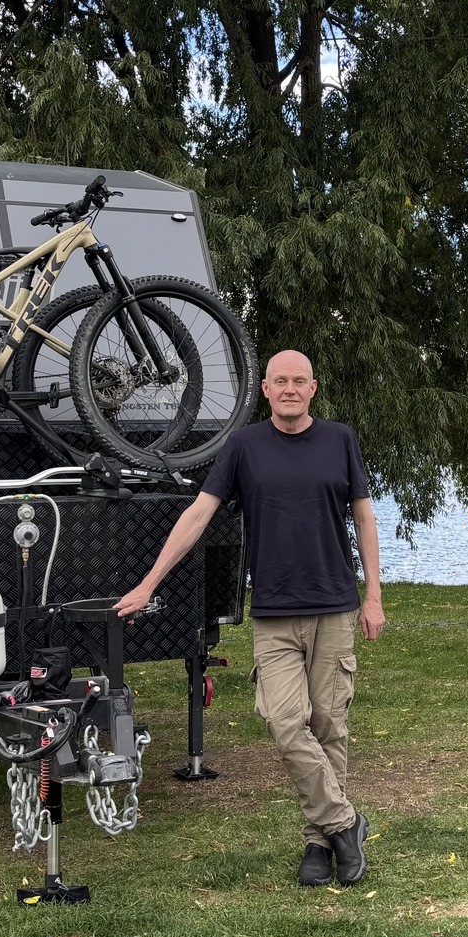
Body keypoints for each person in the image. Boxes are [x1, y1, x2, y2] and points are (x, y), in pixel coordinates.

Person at [116, 349, 386, 887]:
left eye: (299, 381)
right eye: (280, 381)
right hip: (274, 612)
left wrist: (373, 594)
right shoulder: (243, 446)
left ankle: (318, 843)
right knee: (286, 724)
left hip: (333, 605)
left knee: (329, 726)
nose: (290, 389)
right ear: (265, 389)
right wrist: (149, 583)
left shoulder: (340, 440)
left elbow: (363, 517)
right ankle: (344, 823)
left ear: (313, 388)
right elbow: (199, 514)